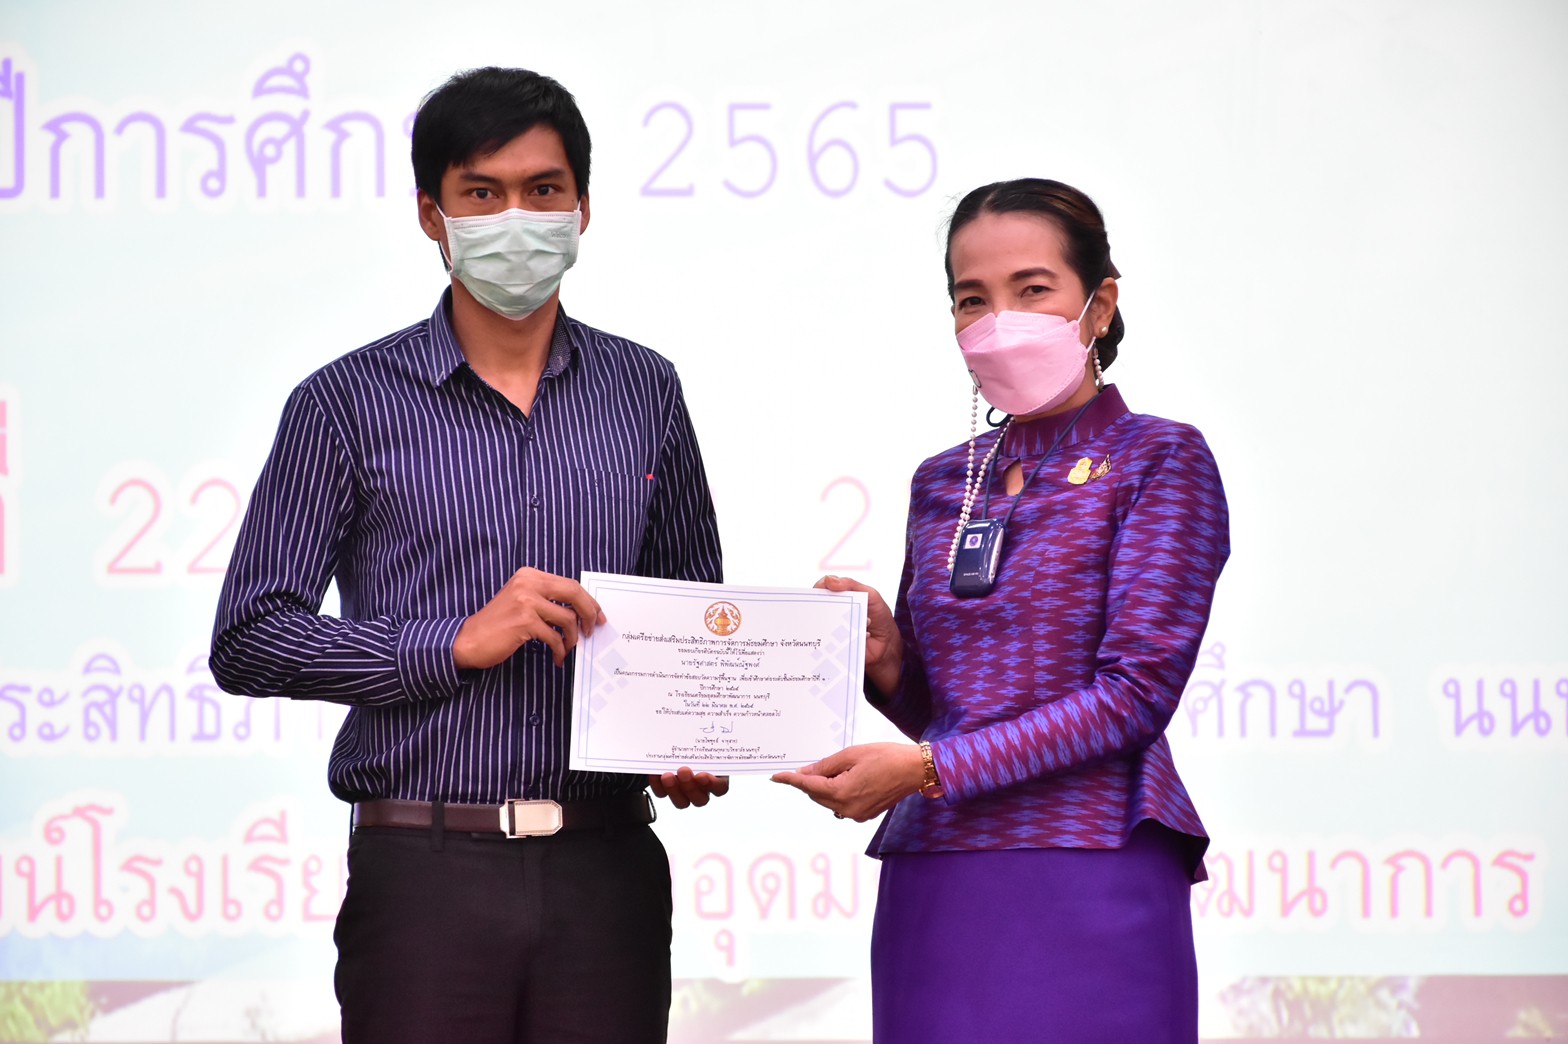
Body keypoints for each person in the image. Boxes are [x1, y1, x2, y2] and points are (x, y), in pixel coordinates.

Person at [210, 67, 727, 1043]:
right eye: (482, 193)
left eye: (542, 189)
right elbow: (250, 638)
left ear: (582, 208)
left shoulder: (645, 391)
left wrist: (691, 734)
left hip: (606, 871)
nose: (515, 218)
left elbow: (689, 609)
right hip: (425, 873)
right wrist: (450, 643)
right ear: (430, 215)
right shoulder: (344, 403)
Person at [773, 178, 1229, 1042]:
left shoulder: (1160, 458)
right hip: (939, 873)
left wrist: (925, 770)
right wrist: (890, 665)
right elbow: (944, 711)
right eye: (972, 299)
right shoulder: (944, 479)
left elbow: (1134, 697)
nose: (998, 321)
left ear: (1099, 306)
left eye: (1032, 289)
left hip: (1092, 864)